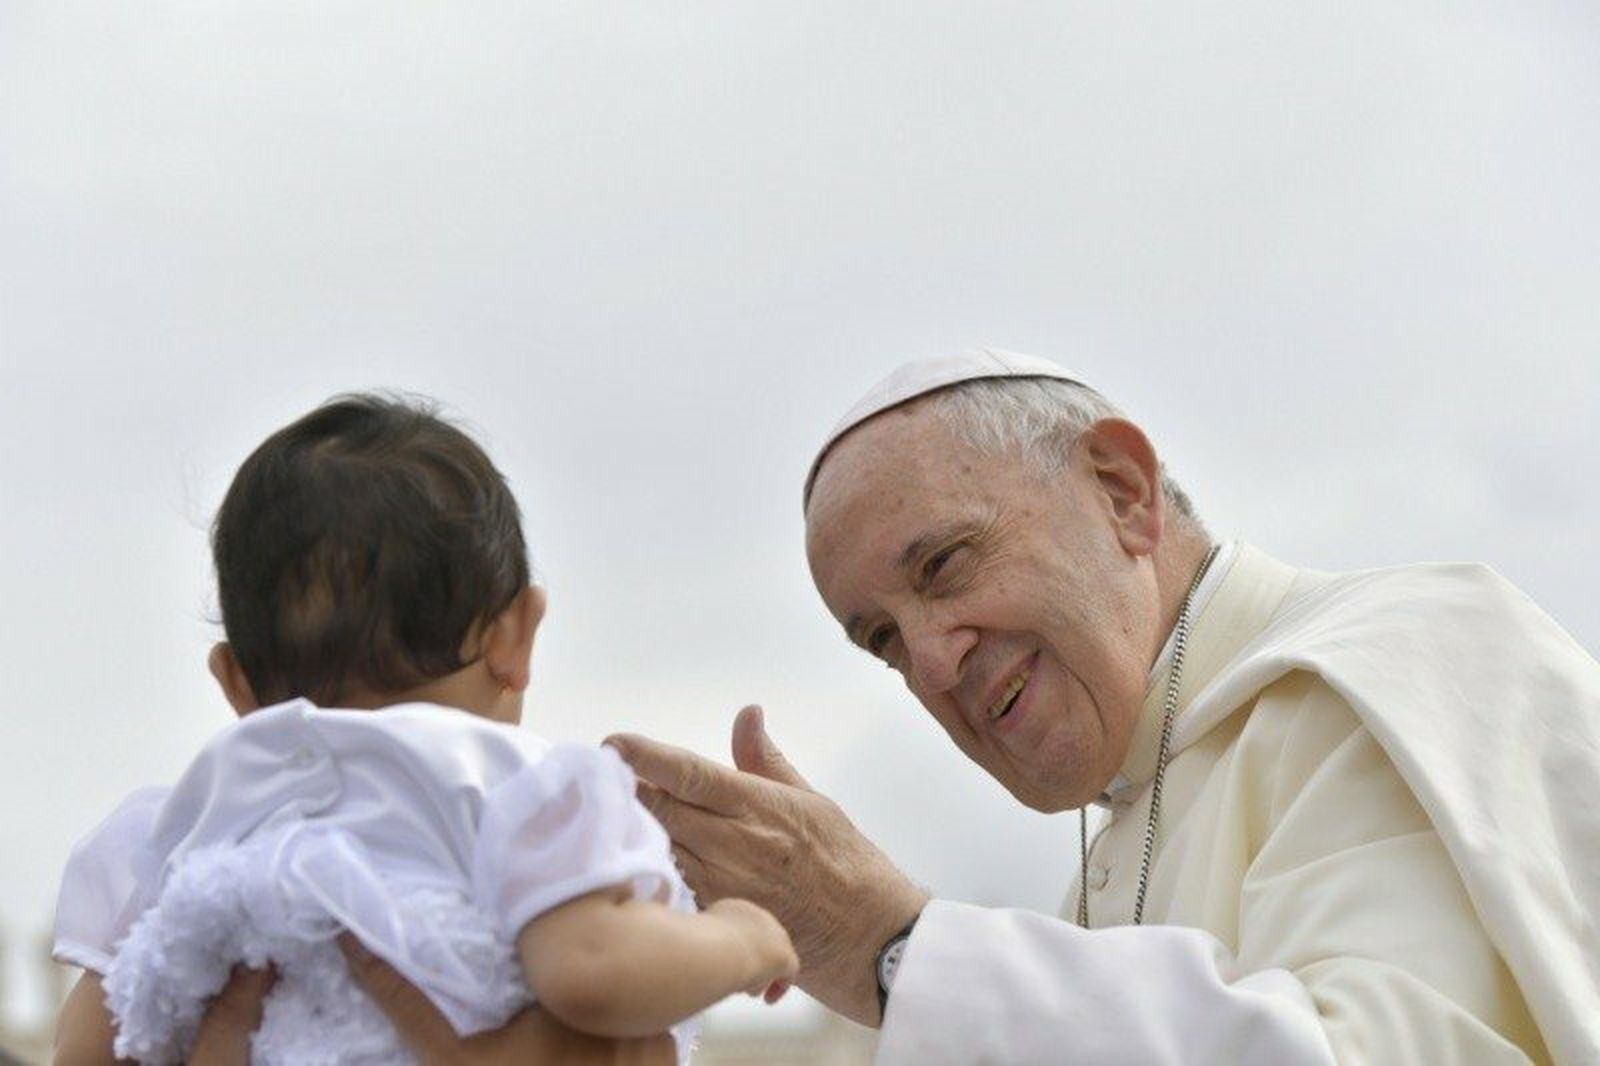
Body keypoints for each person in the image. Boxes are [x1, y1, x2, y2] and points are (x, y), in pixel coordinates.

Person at [605, 349, 1600, 1064]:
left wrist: (891, 947)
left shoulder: (1401, 660)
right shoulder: (1109, 857)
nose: (932, 665)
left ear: (1123, 491)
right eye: (884, 641)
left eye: (945, 565)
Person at [50, 394, 796, 1065]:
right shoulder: (514, 791)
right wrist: (743, 937)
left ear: (235, 682)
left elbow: (88, 1049)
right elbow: (592, 972)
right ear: (515, 637)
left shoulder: (182, 830)